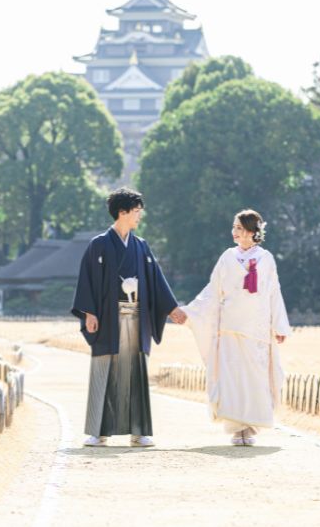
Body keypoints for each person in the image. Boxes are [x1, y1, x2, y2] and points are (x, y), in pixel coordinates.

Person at [71, 187, 186, 448]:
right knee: (104, 371)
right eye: (135, 212)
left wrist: (171, 308)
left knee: (135, 372)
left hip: (136, 319)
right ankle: (98, 432)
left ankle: (139, 431)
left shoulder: (141, 246)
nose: (139, 217)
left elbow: (156, 281)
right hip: (107, 319)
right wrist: (89, 312)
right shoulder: (98, 245)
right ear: (122, 212)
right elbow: (87, 281)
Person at [181, 209, 291, 446]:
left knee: (254, 378)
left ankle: (250, 427)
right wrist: (190, 312)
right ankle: (236, 428)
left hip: (257, 329)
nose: (234, 232)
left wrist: (279, 325)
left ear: (252, 232)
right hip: (230, 327)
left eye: (239, 228)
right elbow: (213, 290)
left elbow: (274, 292)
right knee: (232, 377)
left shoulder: (266, 258)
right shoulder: (227, 258)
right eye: (234, 227)